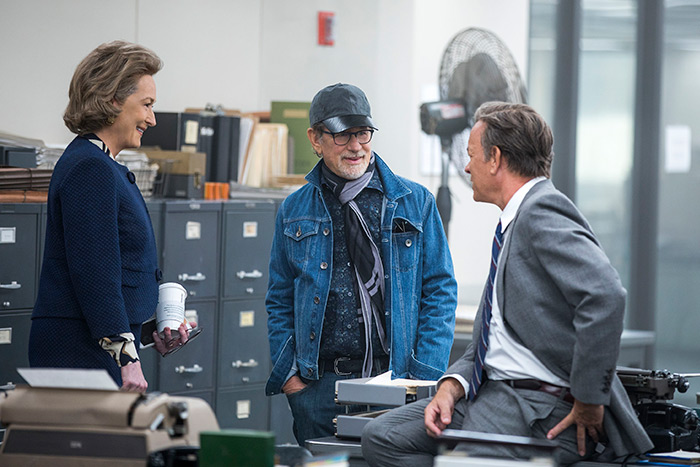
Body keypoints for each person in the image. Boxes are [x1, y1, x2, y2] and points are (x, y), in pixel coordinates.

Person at [361, 102, 653, 466]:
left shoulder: (541, 211)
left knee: (462, 461)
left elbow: (606, 296)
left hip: (534, 409)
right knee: (380, 438)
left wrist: (589, 399)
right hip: (490, 395)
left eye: (471, 156)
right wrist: (452, 386)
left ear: (495, 158)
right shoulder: (512, 222)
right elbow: (491, 333)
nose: (466, 167)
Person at [265, 83, 458, 445]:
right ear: (315, 138)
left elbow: (440, 292)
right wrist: (293, 381)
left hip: (398, 382)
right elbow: (279, 299)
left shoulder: (414, 203)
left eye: (363, 133)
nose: (356, 146)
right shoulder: (294, 210)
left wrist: (424, 376)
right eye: (342, 135)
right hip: (320, 389)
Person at [29, 40, 192, 392]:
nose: (152, 118)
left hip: (94, 344)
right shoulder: (91, 167)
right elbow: (95, 274)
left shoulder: (101, 163)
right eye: (146, 105)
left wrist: (148, 334)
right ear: (114, 99)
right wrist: (127, 357)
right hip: (79, 350)